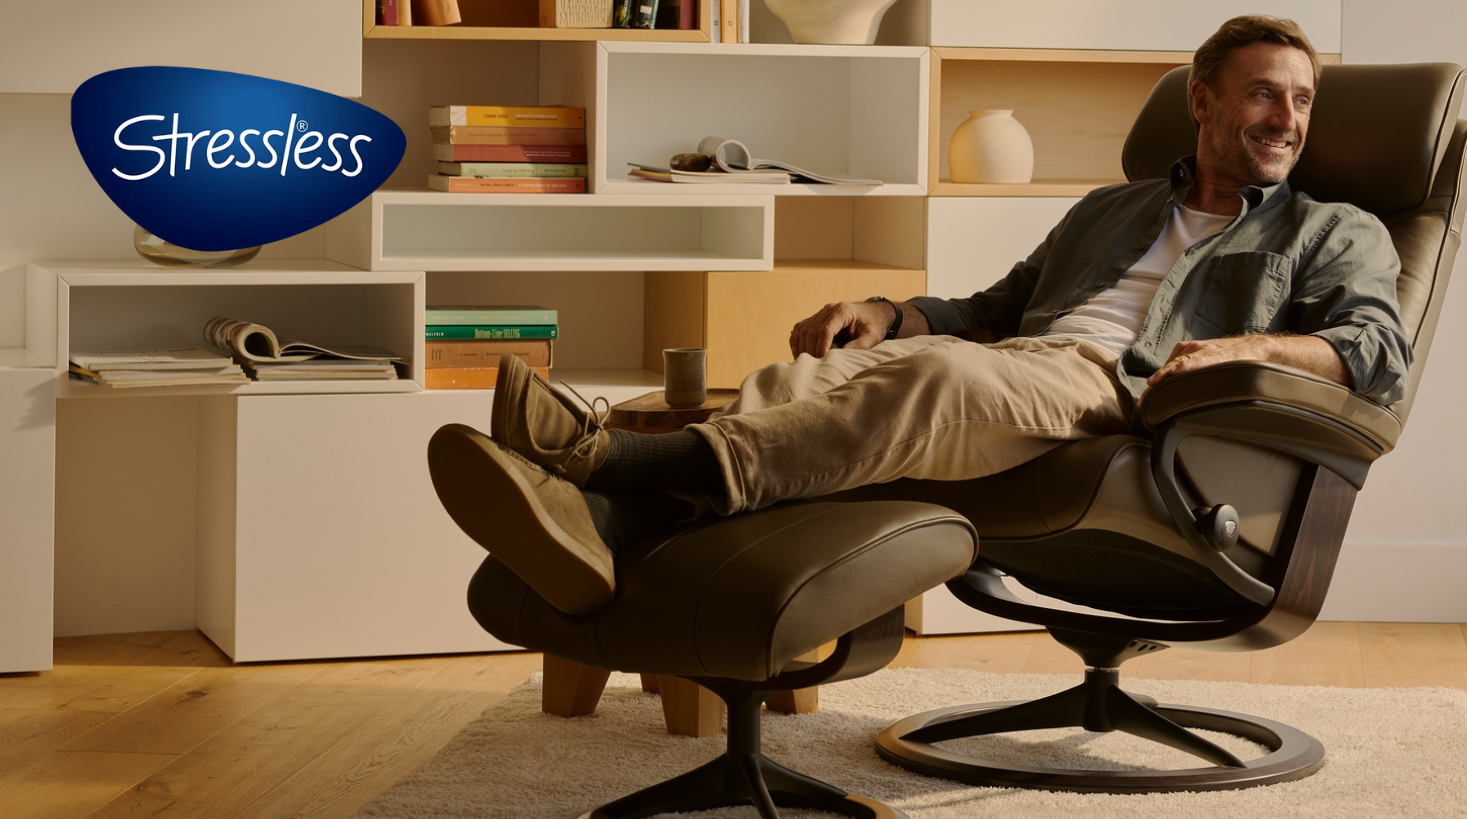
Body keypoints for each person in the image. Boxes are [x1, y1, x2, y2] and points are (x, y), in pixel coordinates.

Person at [427, 15, 1411, 618]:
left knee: (939, 377)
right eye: (1262, 96)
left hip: (1129, 403)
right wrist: (887, 309)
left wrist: (1252, 346)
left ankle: (607, 463)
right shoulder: (1114, 208)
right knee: (817, 377)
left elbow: (1377, 354)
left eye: (1301, 101)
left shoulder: (1336, 229)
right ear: (1201, 103)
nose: (1287, 120)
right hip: (1025, 362)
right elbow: (991, 311)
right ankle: (607, 523)